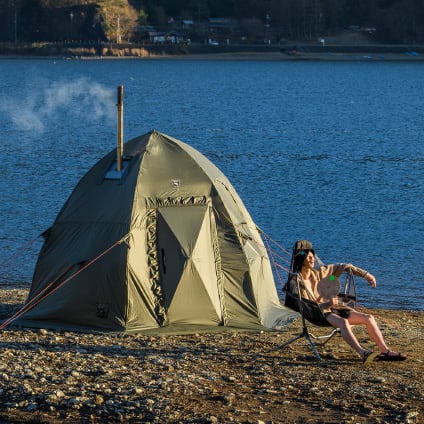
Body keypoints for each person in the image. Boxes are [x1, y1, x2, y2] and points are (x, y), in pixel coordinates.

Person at [284, 240, 406, 363]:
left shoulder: (319, 274)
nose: (312, 259)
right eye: (308, 257)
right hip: (318, 314)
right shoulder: (296, 282)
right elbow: (304, 306)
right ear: (301, 259)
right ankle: (362, 352)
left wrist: (366, 275)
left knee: (368, 318)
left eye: (313, 256)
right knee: (343, 322)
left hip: (333, 309)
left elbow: (344, 266)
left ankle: (385, 351)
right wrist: (327, 304)